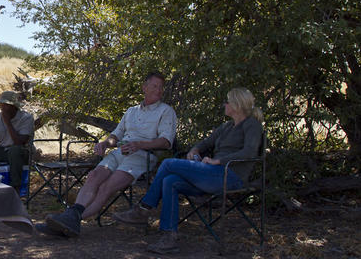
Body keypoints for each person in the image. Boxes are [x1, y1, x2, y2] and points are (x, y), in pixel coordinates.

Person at [113, 87, 264, 254]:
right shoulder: (227, 126)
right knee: (170, 181)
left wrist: (217, 160)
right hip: (212, 174)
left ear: (237, 105)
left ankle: (143, 209)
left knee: (169, 164)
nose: (225, 104)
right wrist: (194, 151)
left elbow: (249, 151)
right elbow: (205, 143)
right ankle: (169, 237)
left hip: (231, 176)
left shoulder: (252, 125)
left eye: (227, 101)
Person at [37, 71, 177, 238]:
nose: (159, 90)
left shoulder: (166, 111)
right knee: (94, 176)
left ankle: (72, 219)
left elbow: (166, 142)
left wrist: (140, 144)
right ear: (144, 87)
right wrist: (104, 143)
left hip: (143, 156)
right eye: (155, 86)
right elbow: (115, 135)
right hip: (120, 152)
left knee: (106, 186)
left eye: (161, 87)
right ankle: (69, 219)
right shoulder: (131, 111)